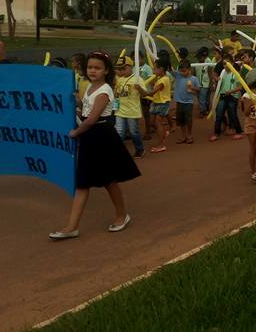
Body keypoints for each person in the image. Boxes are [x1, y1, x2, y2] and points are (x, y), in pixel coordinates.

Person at [49, 50, 140, 240]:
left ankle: (122, 215)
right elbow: (87, 110)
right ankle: (72, 226)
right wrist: (79, 102)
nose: (92, 71)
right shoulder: (90, 88)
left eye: (97, 68)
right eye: (90, 67)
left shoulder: (105, 90)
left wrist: (75, 132)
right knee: (83, 182)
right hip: (91, 137)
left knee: (108, 180)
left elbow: (91, 119)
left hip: (101, 136)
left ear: (106, 70)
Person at [113, 55, 146, 159]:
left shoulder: (138, 79)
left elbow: (145, 94)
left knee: (133, 131)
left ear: (131, 66)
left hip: (132, 111)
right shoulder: (119, 80)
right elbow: (117, 94)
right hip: (120, 110)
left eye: (124, 68)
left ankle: (139, 149)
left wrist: (139, 88)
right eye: (120, 69)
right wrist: (115, 94)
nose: (122, 71)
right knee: (119, 132)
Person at [210, 54, 244, 142]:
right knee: (219, 114)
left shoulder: (236, 73)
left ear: (232, 63)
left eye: (228, 63)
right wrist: (216, 80)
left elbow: (241, 87)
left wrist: (231, 91)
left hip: (233, 97)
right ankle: (216, 133)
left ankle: (238, 131)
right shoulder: (222, 73)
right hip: (223, 96)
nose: (226, 65)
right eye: (224, 64)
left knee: (232, 114)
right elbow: (218, 81)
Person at [148, 58, 173, 153]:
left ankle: (161, 145)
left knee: (158, 123)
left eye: (155, 69)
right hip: (156, 102)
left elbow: (152, 92)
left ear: (161, 69)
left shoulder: (164, 80)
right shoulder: (159, 78)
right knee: (152, 123)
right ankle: (163, 133)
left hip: (162, 103)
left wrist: (142, 92)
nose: (154, 71)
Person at [172, 60, 200, 145]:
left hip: (188, 102)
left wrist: (192, 88)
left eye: (184, 71)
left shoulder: (194, 79)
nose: (182, 73)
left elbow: (198, 89)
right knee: (181, 120)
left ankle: (189, 135)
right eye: (181, 71)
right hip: (179, 102)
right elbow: (170, 70)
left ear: (189, 69)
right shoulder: (178, 75)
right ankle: (183, 135)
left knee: (188, 119)